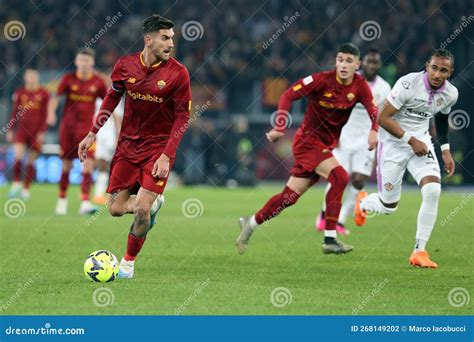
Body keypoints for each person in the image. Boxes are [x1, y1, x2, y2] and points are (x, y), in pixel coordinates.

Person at [236, 43, 379, 255]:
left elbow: (373, 109)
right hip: (307, 142)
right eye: (340, 59)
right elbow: (287, 95)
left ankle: (251, 223)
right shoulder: (321, 80)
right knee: (339, 177)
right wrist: (280, 126)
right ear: (335, 61)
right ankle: (330, 238)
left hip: (324, 146)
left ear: (357, 65)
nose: (343, 64)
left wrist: (374, 131)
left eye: (349, 61)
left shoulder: (359, 86)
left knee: (289, 197)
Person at [78, 14, 191, 278]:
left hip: (157, 149)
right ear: (148, 39)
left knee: (141, 209)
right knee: (116, 209)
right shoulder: (125, 66)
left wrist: (166, 156)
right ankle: (153, 203)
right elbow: (111, 98)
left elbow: (183, 116)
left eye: (172, 38)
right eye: (165, 38)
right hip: (127, 147)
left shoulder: (178, 73)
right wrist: (92, 133)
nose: (170, 43)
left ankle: (127, 264)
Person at [354, 49, 458, 268]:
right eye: (434, 68)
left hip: (422, 142)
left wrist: (445, 150)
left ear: (450, 72)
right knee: (388, 206)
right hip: (393, 144)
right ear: (426, 66)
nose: (438, 74)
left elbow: (440, 119)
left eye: (444, 70)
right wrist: (411, 140)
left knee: (432, 191)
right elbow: (382, 118)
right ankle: (363, 202)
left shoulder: (450, 93)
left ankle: (419, 251)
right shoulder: (407, 84)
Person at [316, 49, 391, 235]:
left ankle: (340, 220)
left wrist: (378, 137)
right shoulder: (346, 79)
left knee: (359, 180)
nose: (371, 65)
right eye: (368, 61)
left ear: (379, 65)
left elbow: (383, 116)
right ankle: (324, 215)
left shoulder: (384, 88)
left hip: (366, 140)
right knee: (338, 179)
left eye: (375, 62)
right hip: (343, 137)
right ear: (360, 63)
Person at [48, 48, 107, 215]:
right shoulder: (68, 79)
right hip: (68, 129)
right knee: (66, 165)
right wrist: (51, 112)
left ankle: (85, 203)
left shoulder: (98, 82)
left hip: (88, 131)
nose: (84, 64)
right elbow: (56, 98)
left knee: (88, 165)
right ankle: (62, 200)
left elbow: (110, 100)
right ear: (76, 62)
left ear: (92, 63)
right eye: (81, 60)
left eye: (87, 61)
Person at [7, 69, 50, 199]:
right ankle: (16, 183)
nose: (31, 78)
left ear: (37, 77)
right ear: (25, 78)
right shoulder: (19, 93)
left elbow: (46, 114)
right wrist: (10, 129)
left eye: (33, 76)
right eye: (29, 76)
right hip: (21, 130)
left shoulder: (44, 93)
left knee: (31, 161)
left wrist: (42, 131)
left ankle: (26, 188)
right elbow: (14, 112)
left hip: (36, 132)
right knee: (18, 156)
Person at [92, 74, 124, 205]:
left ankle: (113, 195)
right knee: (101, 163)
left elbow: (117, 117)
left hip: (110, 135)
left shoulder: (117, 97)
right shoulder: (98, 97)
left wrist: (118, 136)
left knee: (111, 165)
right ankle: (100, 195)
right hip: (100, 135)